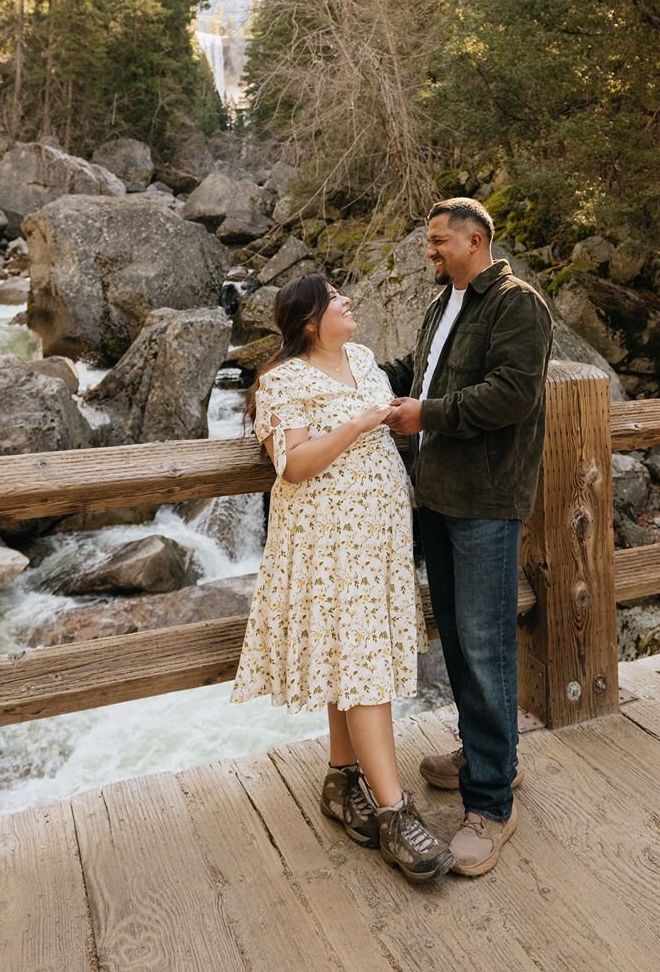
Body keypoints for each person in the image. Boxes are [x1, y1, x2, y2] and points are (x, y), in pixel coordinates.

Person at [231, 271, 452, 884]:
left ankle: (340, 779)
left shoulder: (361, 357)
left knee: (348, 657)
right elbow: (295, 464)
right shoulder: (282, 380)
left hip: (378, 539)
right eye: (335, 299)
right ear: (309, 321)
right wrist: (358, 424)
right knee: (364, 668)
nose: (348, 300)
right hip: (329, 541)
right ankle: (393, 810)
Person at [383, 198, 553, 878]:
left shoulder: (517, 305)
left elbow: (512, 394)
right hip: (439, 496)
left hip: (485, 502)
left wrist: (428, 414)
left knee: (485, 642)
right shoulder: (443, 304)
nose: (429, 252)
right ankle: (488, 752)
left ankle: (492, 801)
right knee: (456, 635)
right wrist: (343, 376)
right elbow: (416, 371)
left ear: (475, 240)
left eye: (438, 242)